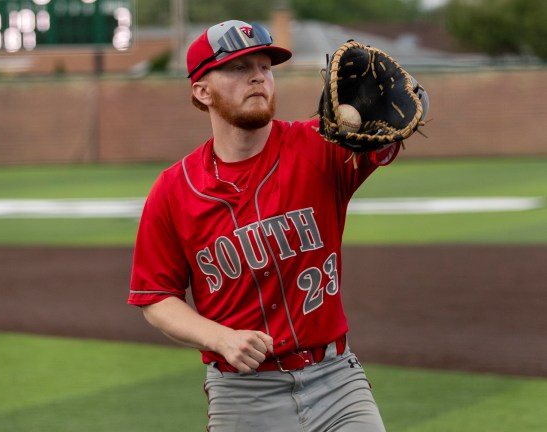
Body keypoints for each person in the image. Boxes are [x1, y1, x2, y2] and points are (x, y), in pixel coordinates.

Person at [129, 19, 401, 431]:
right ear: (202, 91)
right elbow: (155, 297)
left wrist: (381, 123)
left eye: (265, 66)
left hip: (336, 381)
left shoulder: (321, 145)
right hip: (243, 395)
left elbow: (384, 138)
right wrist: (220, 338)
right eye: (238, 68)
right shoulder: (173, 190)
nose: (257, 76)